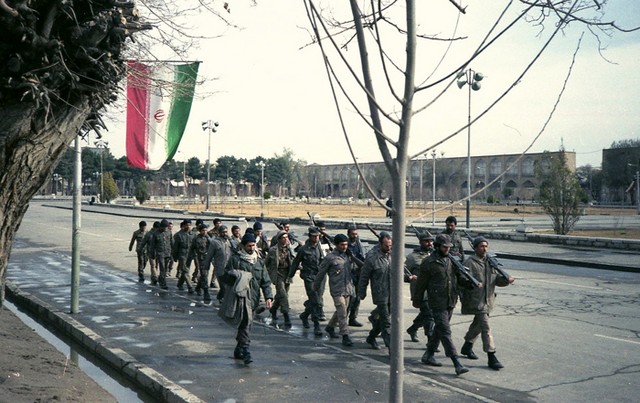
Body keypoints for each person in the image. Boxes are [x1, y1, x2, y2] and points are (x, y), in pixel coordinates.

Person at [413, 234, 478, 375]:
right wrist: (416, 299)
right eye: (444, 247)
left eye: (449, 247)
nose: (447, 249)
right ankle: (456, 363)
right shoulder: (428, 263)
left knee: (439, 330)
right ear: (437, 246)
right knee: (446, 332)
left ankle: (428, 354)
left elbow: (459, 279)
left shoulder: (452, 261)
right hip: (436, 302)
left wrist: (470, 284)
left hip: (450, 301)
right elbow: (421, 284)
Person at [459, 237, 515, 370]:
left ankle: (467, 346)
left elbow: (496, 281)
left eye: (486, 246)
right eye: (481, 246)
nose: (484, 249)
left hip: (488, 300)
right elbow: (462, 280)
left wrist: (506, 280)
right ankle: (492, 356)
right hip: (476, 300)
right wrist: (472, 286)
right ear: (475, 248)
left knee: (478, 324)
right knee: (486, 327)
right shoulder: (469, 262)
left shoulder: (490, 262)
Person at [220, 232, 273, 365]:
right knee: (246, 323)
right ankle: (246, 350)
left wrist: (269, 297)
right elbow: (225, 277)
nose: (252, 248)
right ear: (243, 246)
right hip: (241, 298)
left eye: (254, 245)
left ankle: (239, 349)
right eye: (249, 246)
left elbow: (265, 281)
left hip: (254, 299)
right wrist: (235, 275)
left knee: (246, 324)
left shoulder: (259, 262)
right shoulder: (235, 260)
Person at [314, 234, 354, 347]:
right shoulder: (330, 258)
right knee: (342, 312)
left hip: (348, 288)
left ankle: (330, 327)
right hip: (337, 289)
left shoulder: (348, 256)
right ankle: (345, 335)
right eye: (342, 245)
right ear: (336, 245)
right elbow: (321, 273)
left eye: (346, 245)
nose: (345, 247)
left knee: (342, 311)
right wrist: (315, 286)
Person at [358, 232, 393, 350]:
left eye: (390, 245)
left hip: (393, 293)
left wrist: (408, 277)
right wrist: (361, 292)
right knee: (387, 322)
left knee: (384, 319)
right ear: (380, 244)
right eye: (386, 245)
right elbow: (364, 275)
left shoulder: (392, 255)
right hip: (380, 294)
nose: (389, 248)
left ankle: (371, 337)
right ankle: (392, 349)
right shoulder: (372, 258)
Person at [288, 226, 324, 336]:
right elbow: (295, 263)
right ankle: (316, 324)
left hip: (320, 277)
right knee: (316, 301)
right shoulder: (304, 249)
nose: (317, 238)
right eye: (314, 236)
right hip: (309, 277)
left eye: (318, 236)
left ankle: (304, 315)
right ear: (310, 237)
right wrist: (290, 276)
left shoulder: (320, 247)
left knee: (317, 301)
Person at [404, 232, 435, 344]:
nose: (429, 243)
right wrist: (409, 277)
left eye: (431, 241)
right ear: (420, 242)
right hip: (420, 291)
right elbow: (402, 273)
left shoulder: (434, 255)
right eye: (426, 241)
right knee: (429, 315)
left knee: (427, 313)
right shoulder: (412, 257)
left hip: (433, 290)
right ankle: (430, 339)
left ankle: (413, 329)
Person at [265, 230, 295, 327]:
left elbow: (294, 259)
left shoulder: (289, 249)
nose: (286, 239)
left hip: (287, 274)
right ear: (279, 239)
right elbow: (266, 263)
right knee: (283, 295)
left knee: (281, 294)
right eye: (283, 238)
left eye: (287, 237)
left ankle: (273, 310)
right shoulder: (273, 250)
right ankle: (286, 316)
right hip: (278, 274)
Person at [346, 225, 365, 327]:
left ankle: (353, 318)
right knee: (351, 298)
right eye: (352, 234)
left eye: (356, 234)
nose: (354, 236)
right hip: (349, 274)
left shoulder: (358, 244)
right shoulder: (346, 245)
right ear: (348, 234)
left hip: (358, 273)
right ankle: (343, 318)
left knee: (357, 297)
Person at [189, 223, 211, 297]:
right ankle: (206, 292)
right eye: (203, 230)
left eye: (206, 230)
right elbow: (192, 249)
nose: (205, 232)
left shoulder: (208, 238)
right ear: (200, 231)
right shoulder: (196, 239)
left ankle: (198, 287)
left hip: (207, 258)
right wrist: (190, 257)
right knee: (204, 275)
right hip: (200, 258)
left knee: (204, 275)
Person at [172, 219, 194, 293]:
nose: (188, 226)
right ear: (184, 225)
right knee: (185, 271)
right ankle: (190, 287)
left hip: (190, 255)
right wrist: (174, 256)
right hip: (182, 255)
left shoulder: (193, 234)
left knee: (186, 270)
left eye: (189, 225)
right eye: (187, 225)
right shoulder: (179, 235)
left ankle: (180, 284)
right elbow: (175, 247)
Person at [151, 219, 173, 289]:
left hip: (167, 253)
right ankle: (163, 284)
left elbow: (172, 243)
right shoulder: (156, 233)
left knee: (165, 268)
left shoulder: (169, 232)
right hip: (160, 253)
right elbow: (152, 245)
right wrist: (152, 254)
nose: (165, 228)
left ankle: (161, 279)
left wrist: (174, 252)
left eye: (166, 227)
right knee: (162, 268)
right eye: (163, 227)